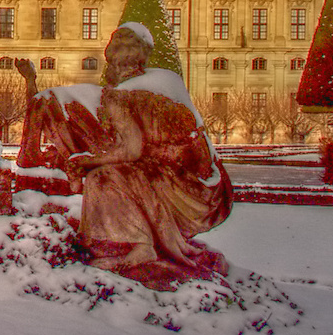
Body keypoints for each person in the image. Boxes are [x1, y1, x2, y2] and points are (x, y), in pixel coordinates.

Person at [20, 23, 232, 277]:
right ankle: (137, 242)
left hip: (177, 186)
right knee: (113, 172)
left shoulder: (121, 96)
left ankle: (138, 245)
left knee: (102, 178)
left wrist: (89, 161)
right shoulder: (168, 79)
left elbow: (131, 151)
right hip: (212, 191)